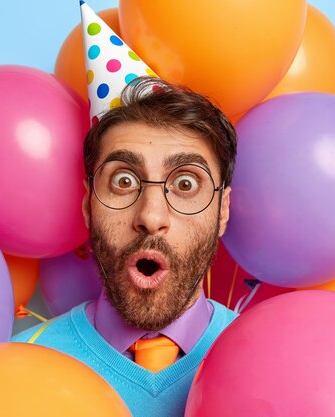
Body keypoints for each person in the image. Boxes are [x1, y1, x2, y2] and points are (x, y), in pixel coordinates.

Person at [12, 77, 238, 417]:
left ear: (222, 211)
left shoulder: (274, 363)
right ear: (89, 206)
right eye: (124, 181)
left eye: (186, 183)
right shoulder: (15, 368)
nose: (150, 216)